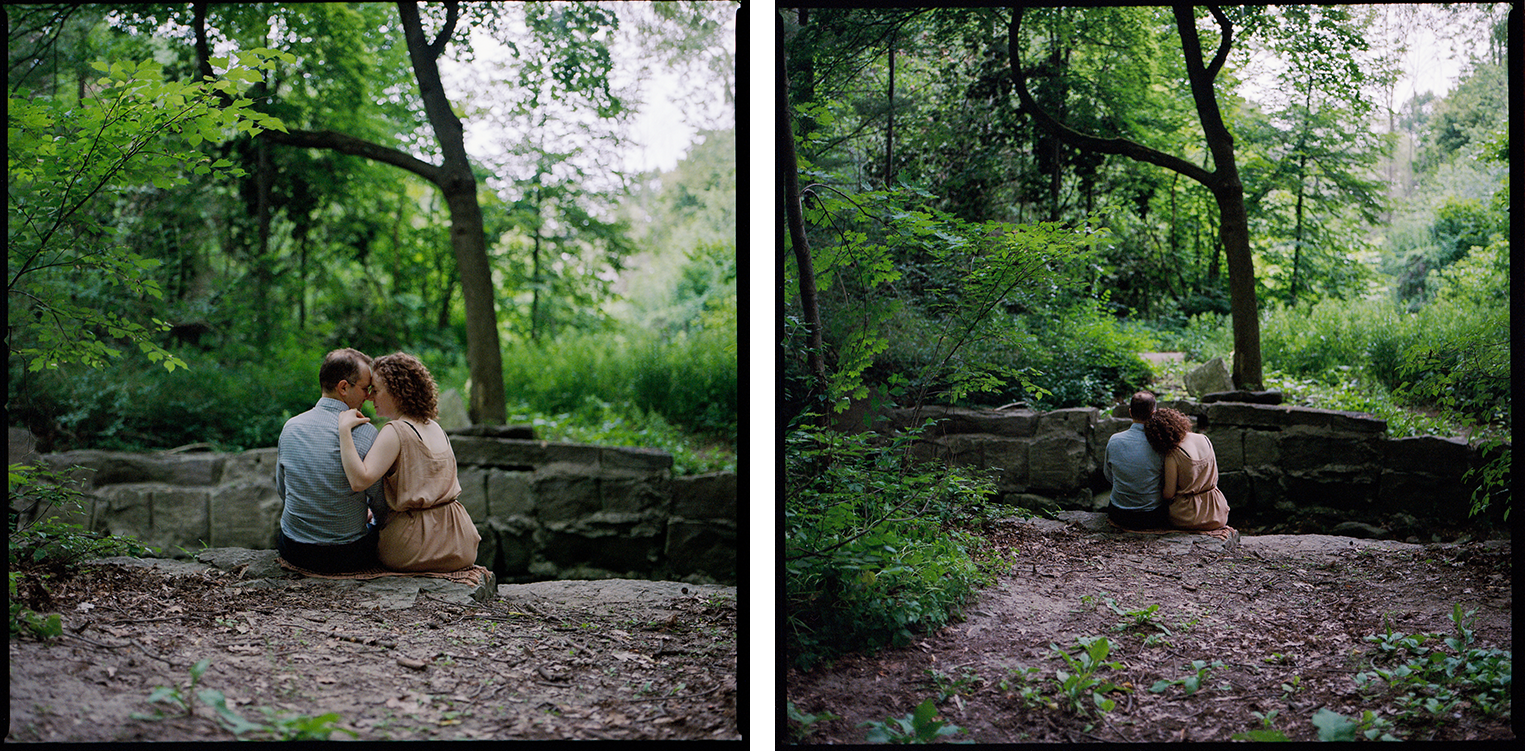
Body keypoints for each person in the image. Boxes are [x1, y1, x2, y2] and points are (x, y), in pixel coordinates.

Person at [337, 352, 480, 572]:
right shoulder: (434, 427)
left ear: (396, 392)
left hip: (414, 547)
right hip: (459, 543)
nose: (370, 397)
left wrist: (344, 431)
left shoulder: (396, 431)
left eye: (376, 390)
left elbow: (359, 481)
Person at [275, 348, 385, 572]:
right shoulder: (366, 433)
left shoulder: (291, 428)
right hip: (348, 555)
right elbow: (380, 504)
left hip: (295, 550)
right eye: (365, 388)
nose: (368, 396)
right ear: (344, 387)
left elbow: (283, 490)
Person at [1144, 407, 1231, 531]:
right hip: (1217, 512)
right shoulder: (1204, 438)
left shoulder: (1173, 454)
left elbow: (1169, 494)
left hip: (1189, 517)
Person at [1103, 391, 1171, 530]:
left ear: (1130, 412)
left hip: (1118, 513)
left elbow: (1109, 475)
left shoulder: (1114, 440)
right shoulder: (1159, 444)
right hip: (1151, 515)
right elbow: (1165, 482)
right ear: (1153, 413)